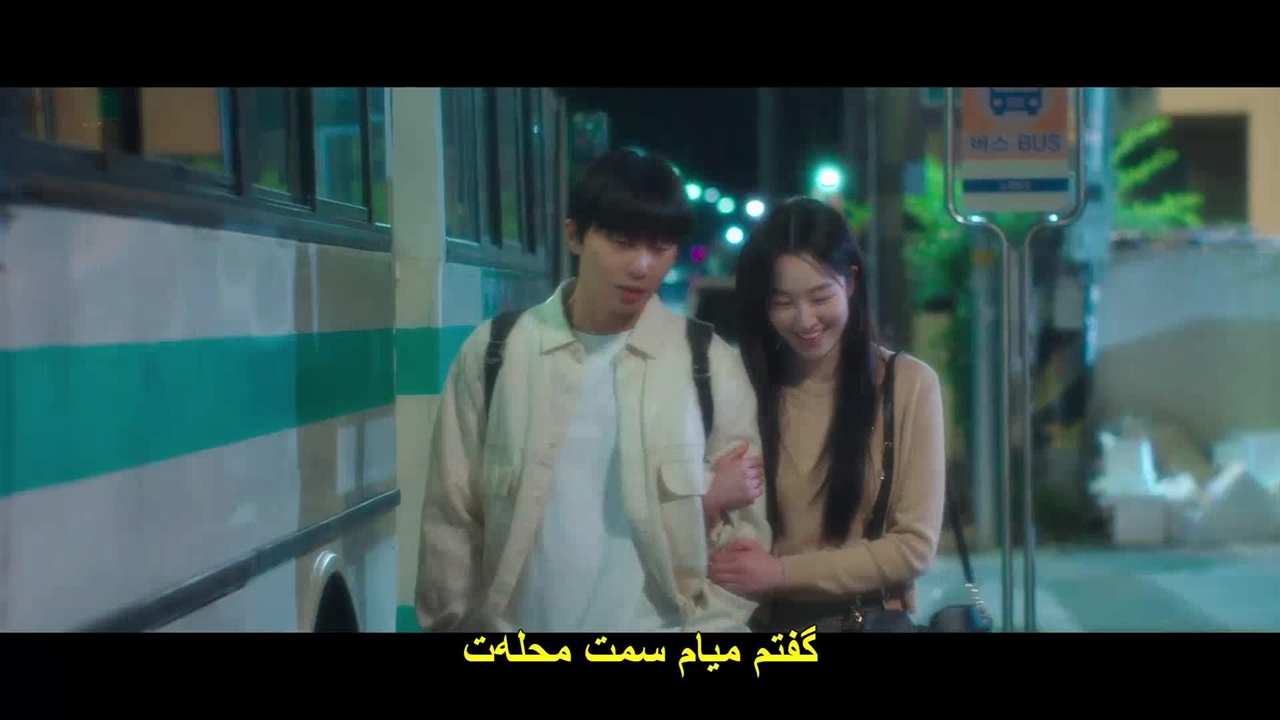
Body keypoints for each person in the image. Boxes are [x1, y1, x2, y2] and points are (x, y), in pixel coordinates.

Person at [415, 148, 770, 633]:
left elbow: (745, 541)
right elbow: (451, 519)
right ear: (575, 236)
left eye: (661, 247)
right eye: (622, 242)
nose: (642, 265)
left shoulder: (708, 364)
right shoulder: (497, 353)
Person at [705, 196, 945, 631]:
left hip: (864, 623)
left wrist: (781, 573)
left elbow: (914, 546)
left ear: (850, 282)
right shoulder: (739, 386)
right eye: (782, 302)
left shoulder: (908, 384)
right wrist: (709, 498)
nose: (805, 320)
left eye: (820, 297)